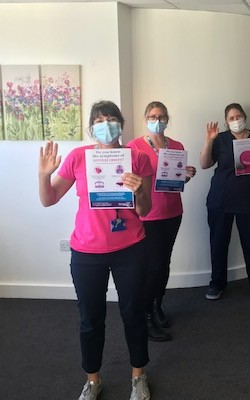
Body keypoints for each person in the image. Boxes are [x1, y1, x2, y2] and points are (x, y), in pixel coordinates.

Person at [38, 101, 154, 400]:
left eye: (112, 119)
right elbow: (49, 199)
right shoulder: (79, 157)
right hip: (87, 251)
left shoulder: (139, 158)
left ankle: (138, 375)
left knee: (134, 313)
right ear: (91, 127)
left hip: (130, 248)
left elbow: (144, 210)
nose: (106, 125)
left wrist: (139, 190)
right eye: (100, 121)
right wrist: (44, 175)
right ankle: (92, 380)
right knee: (90, 318)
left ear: (121, 124)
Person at [127, 101, 197, 342]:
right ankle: (146, 315)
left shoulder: (176, 146)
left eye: (161, 116)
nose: (157, 120)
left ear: (167, 119)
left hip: (173, 212)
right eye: (152, 116)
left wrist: (186, 176)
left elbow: (176, 181)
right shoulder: (134, 147)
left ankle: (157, 305)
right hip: (148, 215)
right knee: (152, 267)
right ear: (145, 118)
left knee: (164, 263)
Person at [200, 103, 250, 300]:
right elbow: (204, 164)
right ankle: (216, 284)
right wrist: (209, 141)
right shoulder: (220, 139)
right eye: (231, 118)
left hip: (249, 201)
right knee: (218, 243)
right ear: (226, 122)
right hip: (220, 199)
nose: (236, 120)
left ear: (245, 117)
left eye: (238, 116)